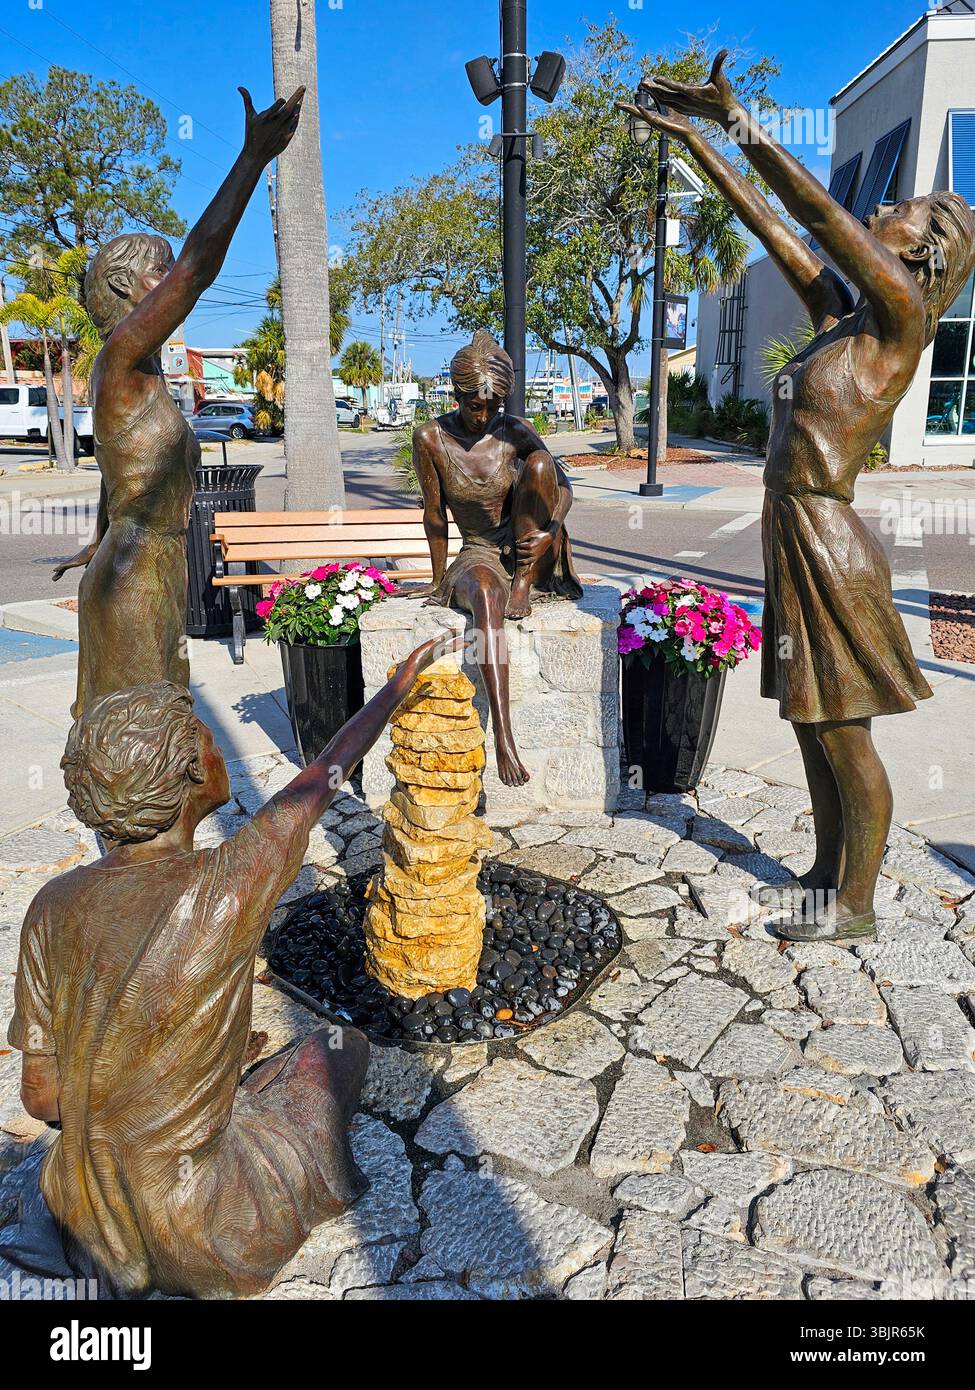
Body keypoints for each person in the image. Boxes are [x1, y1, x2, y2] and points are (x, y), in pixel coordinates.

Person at [620, 53, 975, 942]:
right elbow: (776, 226)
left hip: (828, 534)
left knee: (845, 730)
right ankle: (823, 875)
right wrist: (697, 141)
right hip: (793, 530)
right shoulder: (840, 319)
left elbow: (814, 212)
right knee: (813, 723)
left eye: (898, 211)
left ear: (919, 251)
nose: (879, 210)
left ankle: (851, 904)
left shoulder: (899, 317)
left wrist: (736, 117)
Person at [7, 635, 453, 1299]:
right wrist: (395, 688)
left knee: (254, 1063)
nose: (217, 752)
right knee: (339, 1048)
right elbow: (321, 777)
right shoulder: (227, 881)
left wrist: (141, 1074)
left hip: (84, 1208)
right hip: (202, 1229)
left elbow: (41, 1097)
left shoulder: (52, 904)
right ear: (189, 772)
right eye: (207, 740)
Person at [52, 86, 305, 719]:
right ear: (121, 286)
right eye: (155, 276)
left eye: (165, 274)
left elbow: (121, 470)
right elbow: (197, 267)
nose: (170, 287)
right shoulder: (121, 359)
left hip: (143, 568)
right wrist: (251, 160)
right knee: (145, 737)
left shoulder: (135, 373)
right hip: (135, 577)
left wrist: (97, 536)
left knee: (161, 735)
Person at [408, 330, 583, 786]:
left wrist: (551, 530)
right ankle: (504, 736)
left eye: (491, 407)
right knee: (486, 595)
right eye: (473, 405)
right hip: (478, 551)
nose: (482, 415)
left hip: (529, 548)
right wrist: (436, 577)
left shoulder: (514, 431)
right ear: (456, 395)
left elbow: (563, 488)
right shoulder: (430, 438)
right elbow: (433, 514)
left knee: (542, 463)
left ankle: (523, 582)